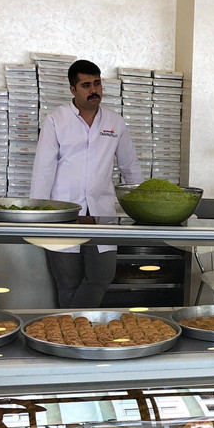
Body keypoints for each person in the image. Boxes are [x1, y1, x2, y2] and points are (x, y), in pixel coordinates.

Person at [31, 59, 144, 308]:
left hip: (101, 215)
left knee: (102, 276)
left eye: (97, 83)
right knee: (67, 283)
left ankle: (71, 326)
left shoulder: (115, 122)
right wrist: (39, 217)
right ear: (73, 89)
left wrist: (144, 208)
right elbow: (43, 171)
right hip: (64, 215)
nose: (94, 90)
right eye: (86, 85)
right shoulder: (56, 120)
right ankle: (75, 330)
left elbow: (130, 168)